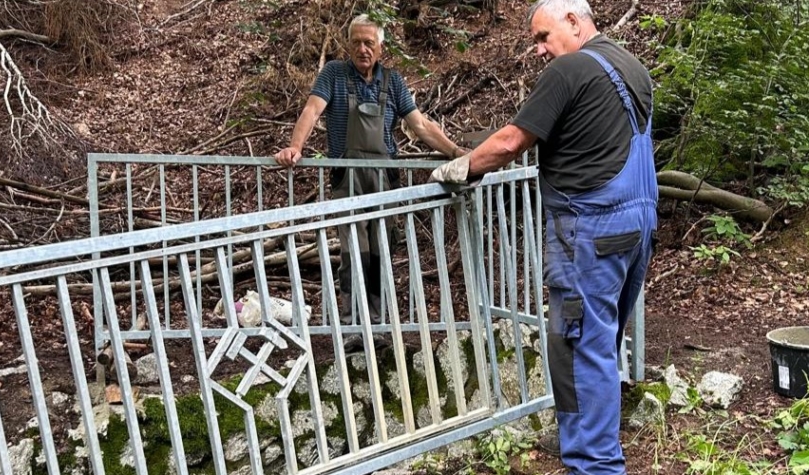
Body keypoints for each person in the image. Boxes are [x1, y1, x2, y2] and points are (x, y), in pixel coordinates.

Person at [430, 0, 656, 473]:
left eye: (542, 36)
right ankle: (595, 447)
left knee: (579, 351)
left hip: (589, 231)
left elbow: (512, 141)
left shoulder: (570, 69)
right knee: (601, 346)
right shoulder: (632, 65)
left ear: (574, 22)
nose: (538, 49)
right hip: (636, 226)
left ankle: (594, 465)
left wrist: (462, 166)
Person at [275, 14, 466, 336]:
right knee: (353, 254)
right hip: (347, 179)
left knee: (380, 253)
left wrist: (457, 154)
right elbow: (312, 109)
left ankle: (377, 327)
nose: (363, 49)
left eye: (369, 43)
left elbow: (420, 125)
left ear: (381, 47)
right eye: (356, 43)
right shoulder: (334, 74)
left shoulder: (393, 82)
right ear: (348, 45)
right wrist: (295, 147)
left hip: (384, 181)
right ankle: (352, 328)